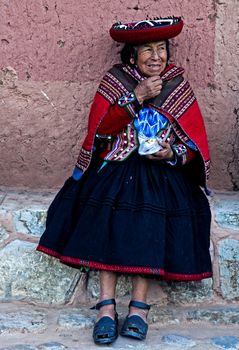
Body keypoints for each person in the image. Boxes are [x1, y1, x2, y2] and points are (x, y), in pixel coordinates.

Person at [37, 17, 212, 345]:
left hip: (162, 172)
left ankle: (138, 308)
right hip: (116, 166)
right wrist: (136, 96)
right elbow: (100, 131)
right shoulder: (116, 82)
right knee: (108, 215)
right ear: (132, 56)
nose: (156, 56)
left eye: (161, 49)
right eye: (147, 50)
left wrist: (171, 152)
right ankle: (106, 308)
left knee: (150, 219)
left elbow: (193, 146)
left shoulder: (177, 85)